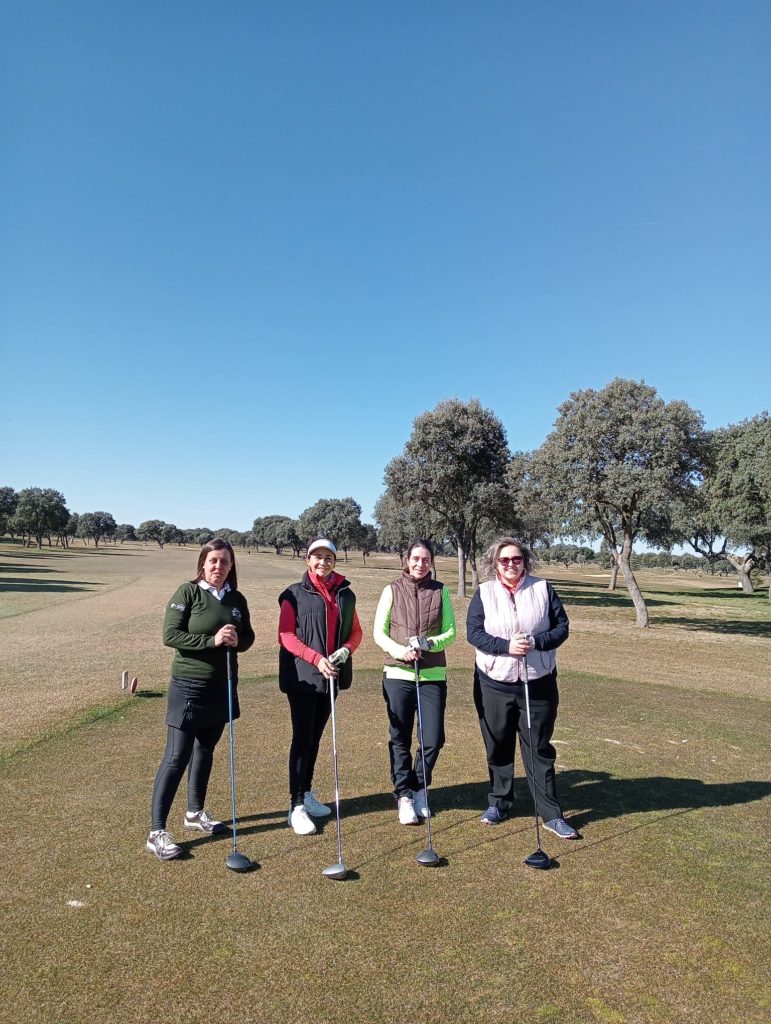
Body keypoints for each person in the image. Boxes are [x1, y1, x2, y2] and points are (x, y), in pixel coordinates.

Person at [147, 538, 255, 860]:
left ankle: (195, 813)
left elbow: (248, 636)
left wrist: (237, 640)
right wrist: (211, 640)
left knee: (205, 749)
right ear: (203, 564)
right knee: (176, 757)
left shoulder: (236, 599)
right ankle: (156, 832)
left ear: (231, 565)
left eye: (225, 561)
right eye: (213, 561)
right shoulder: (188, 593)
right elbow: (171, 635)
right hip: (189, 686)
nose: (219, 567)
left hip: (222, 686)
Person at [466, 536, 579, 839]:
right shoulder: (485, 593)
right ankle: (500, 802)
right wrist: (506, 646)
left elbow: (561, 627)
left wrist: (536, 642)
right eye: (504, 560)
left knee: (539, 748)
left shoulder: (542, 588)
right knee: (498, 745)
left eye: (516, 559)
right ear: (495, 564)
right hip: (494, 682)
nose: (511, 564)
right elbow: (474, 633)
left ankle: (550, 813)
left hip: (537, 681)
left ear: (524, 560)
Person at [278, 538, 362, 836]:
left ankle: (308, 792)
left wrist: (346, 650)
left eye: (328, 557)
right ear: (307, 560)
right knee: (302, 739)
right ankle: (296, 804)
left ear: (334, 562)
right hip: (303, 677)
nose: (323, 562)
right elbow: (286, 635)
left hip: (331, 678)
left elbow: (355, 630)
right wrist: (316, 659)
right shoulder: (292, 594)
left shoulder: (344, 594)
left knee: (315, 738)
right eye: (317, 557)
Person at [373, 539, 456, 825]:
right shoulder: (392, 590)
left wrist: (428, 643)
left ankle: (419, 787)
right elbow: (379, 633)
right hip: (398, 674)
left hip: (432, 674)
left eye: (426, 559)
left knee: (433, 739)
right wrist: (401, 651)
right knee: (400, 736)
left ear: (431, 562)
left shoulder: (440, 591)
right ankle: (404, 795)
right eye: (416, 558)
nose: (421, 564)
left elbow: (451, 632)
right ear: (407, 560)